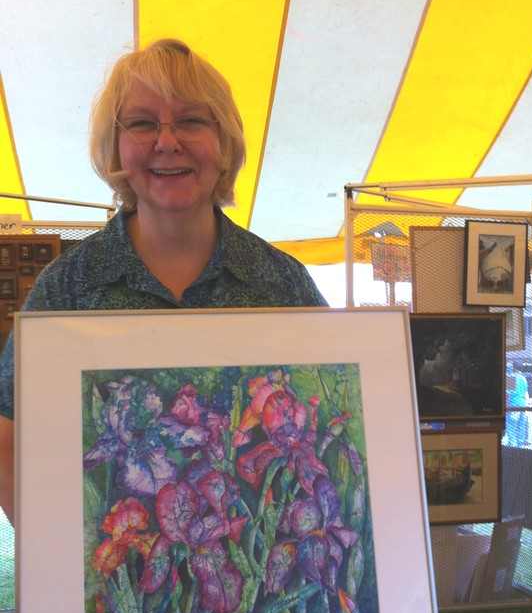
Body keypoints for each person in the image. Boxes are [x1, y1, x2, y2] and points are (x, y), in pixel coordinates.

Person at [0, 38, 327, 528]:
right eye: (141, 123)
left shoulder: (282, 284)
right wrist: (59, 548)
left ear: (224, 143)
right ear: (116, 146)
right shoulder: (67, 288)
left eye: (192, 120)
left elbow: (318, 433)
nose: (167, 141)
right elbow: (7, 440)